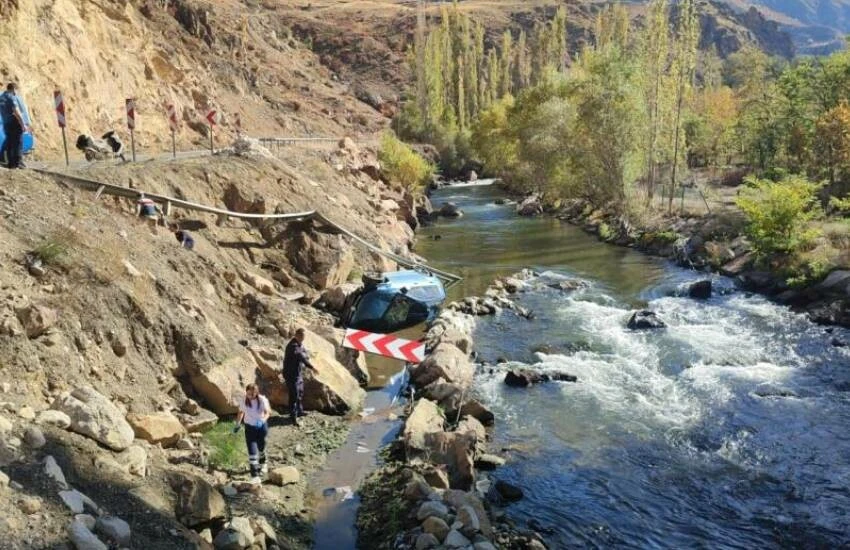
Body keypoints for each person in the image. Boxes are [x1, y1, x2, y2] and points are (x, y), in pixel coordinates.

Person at [233, 383, 270, 483]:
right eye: (248, 394)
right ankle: (255, 476)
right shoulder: (244, 400)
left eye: (252, 394)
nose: (250, 396)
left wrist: (262, 421)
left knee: (261, 447)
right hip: (249, 428)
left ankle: (264, 463)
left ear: (256, 393)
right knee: (252, 452)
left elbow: (268, 412)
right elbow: (241, 412)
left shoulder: (262, 399)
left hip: (261, 427)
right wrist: (237, 424)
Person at [282, 328, 316, 426]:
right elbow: (301, 357)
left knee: (300, 393)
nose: (302, 339)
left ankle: (300, 411)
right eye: (301, 336)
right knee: (294, 396)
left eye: (303, 337)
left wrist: (310, 355)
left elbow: (305, 352)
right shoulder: (293, 346)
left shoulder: (300, 344)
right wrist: (312, 367)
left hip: (298, 374)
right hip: (291, 375)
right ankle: (293, 418)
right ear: (296, 335)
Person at [0, 83, 31, 169]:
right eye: (16, 90)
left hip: (6, 123)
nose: (16, 92)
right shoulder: (11, 97)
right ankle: (18, 162)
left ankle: (9, 163)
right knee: (18, 142)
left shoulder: (1, 97)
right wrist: (23, 124)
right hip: (14, 123)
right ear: (13, 89)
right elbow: (16, 111)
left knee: (9, 142)